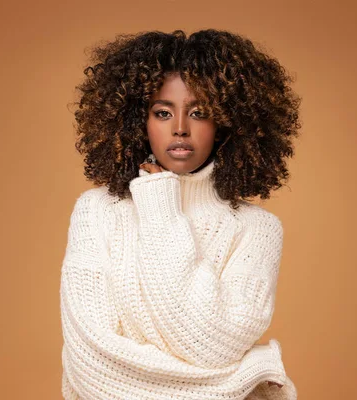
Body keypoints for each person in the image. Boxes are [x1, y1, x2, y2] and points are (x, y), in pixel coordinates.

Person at [60, 29, 302, 400]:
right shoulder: (97, 211)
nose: (180, 128)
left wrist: (160, 207)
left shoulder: (258, 230)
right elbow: (92, 368)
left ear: (225, 123)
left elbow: (211, 344)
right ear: (137, 120)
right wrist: (241, 376)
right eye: (162, 112)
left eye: (200, 112)